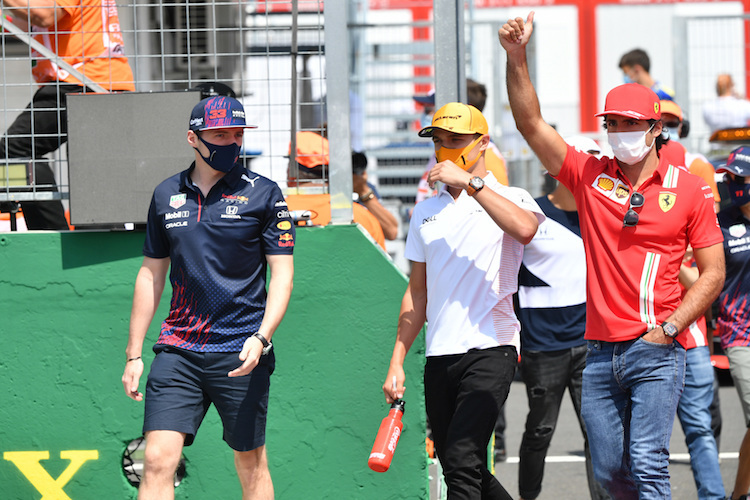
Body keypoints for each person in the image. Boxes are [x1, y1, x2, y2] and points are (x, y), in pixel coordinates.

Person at [500, 13, 725, 498]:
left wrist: (669, 329)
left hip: (658, 350)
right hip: (598, 355)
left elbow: (713, 274)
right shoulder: (589, 174)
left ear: (654, 129)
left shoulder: (688, 189)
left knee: (647, 463)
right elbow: (529, 122)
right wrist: (516, 58)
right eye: (612, 123)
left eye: (629, 124)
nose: (619, 131)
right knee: (609, 476)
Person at [121, 95, 294, 499]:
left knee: (250, 463)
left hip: (242, 351)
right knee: (159, 459)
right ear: (192, 138)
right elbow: (151, 274)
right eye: (220, 134)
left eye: (237, 134)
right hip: (178, 349)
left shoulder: (264, 194)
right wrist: (134, 354)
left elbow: (282, 276)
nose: (231, 143)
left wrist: (262, 337)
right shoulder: (166, 194)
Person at [382, 102, 543, 499]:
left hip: (492, 348)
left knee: (461, 459)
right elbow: (416, 292)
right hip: (440, 355)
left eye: (455, 140)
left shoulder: (512, 197)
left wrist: (472, 183)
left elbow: (525, 230)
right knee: (460, 467)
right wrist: (397, 360)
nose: (444, 149)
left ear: (482, 142)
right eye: (438, 141)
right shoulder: (424, 212)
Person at [516, 136, 607, 500]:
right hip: (542, 346)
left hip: (591, 343)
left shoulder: (601, 214)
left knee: (598, 433)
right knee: (540, 429)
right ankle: (527, 495)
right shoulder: (530, 214)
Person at [0, 0, 135, 229]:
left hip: (81, 80)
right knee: (92, 174)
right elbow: (29, 21)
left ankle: (50, 234)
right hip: (95, 80)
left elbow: (44, 16)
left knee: (13, 150)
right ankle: (85, 240)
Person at [285, 131, 397, 248]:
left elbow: (392, 231)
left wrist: (361, 189)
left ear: (291, 171)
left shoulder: (275, 213)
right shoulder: (362, 217)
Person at [715, 146, 750, 500]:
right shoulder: (721, 222)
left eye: (740, 176)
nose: (733, 182)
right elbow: (705, 278)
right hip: (739, 334)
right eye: (729, 175)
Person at [415, 79, 509, 204]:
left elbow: (500, 205)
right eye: (438, 140)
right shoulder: (441, 148)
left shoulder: (484, 154)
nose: (428, 115)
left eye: (431, 109)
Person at [659, 100, 721, 210]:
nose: (665, 129)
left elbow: (712, 209)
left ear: (682, 128)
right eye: (660, 124)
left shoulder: (698, 166)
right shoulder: (639, 164)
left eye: (671, 124)